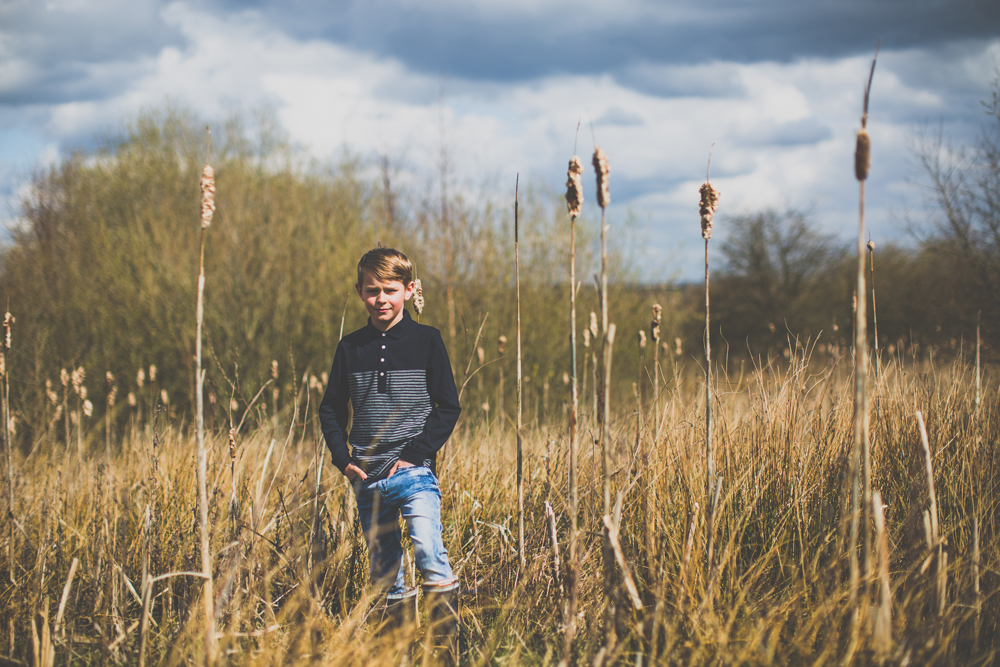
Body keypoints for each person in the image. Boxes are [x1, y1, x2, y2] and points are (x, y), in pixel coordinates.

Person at [319, 246, 462, 654]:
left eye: (389, 289)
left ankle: (445, 653)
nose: (380, 298)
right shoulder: (350, 348)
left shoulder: (427, 340)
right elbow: (330, 408)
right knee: (385, 572)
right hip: (367, 479)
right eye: (371, 290)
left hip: (414, 473)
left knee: (428, 549)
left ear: (408, 289)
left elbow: (448, 406)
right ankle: (395, 654)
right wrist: (343, 460)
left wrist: (416, 453)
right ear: (360, 292)